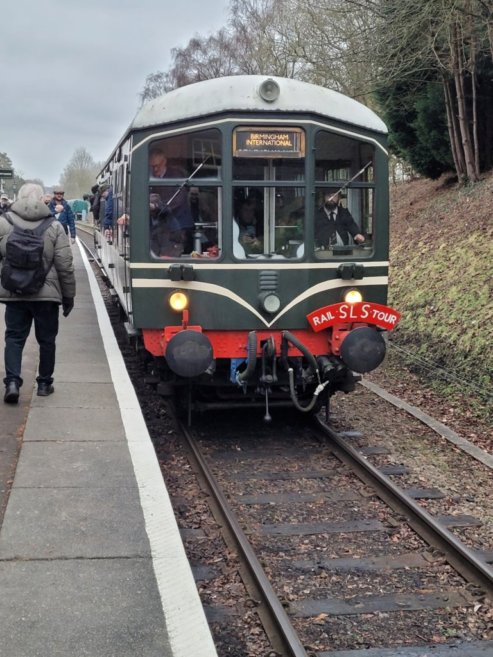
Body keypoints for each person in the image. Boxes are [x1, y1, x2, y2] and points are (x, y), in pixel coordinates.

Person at [0, 183, 76, 403]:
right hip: (47, 295)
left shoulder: (4, 223)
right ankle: (44, 384)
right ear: (42, 199)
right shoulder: (53, 226)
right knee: (47, 340)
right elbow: (65, 264)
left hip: (15, 293)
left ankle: (13, 382)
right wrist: (68, 295)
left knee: (14, 338)